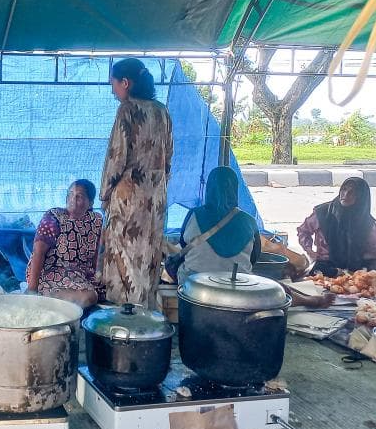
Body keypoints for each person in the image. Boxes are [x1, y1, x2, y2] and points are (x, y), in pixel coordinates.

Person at [100, 58, 173, 308]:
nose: (112, 90)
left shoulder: (127, 110)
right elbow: (169, 159)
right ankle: (149, 318)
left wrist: (105, 194)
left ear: (126, 82)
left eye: (114, 84)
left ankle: (127, 319)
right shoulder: (162, 111)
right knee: (149, 256)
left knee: (126, 259)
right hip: (156, 198)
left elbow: (116, 158)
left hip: (129, 198)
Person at [175, 166, 261, 285]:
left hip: (196, 286)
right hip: (239, 286)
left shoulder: (194, 215)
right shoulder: (250, 221)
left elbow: (184, 245)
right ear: (235, 189)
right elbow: (254, 257)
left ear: (208, 189)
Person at [26, 180, 104, 309]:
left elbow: (97, 254)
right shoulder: (54, 217)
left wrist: (96, 276)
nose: (73, 199)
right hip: (50, 273)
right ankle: (46, 297)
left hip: (80, 276)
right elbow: (38, 252)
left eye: (79, 196)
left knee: (103, 293)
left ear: (90, 203)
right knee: (89, 297)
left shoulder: (96, 221)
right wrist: (32, 289)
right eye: (70, 194)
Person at [298, 177, 376, 277]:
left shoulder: (365, 221)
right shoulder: (323, 213)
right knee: (319, 270)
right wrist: (310, 252)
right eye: (344, 189)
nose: (346, 194)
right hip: (326, 264)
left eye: (352, 192)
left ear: (361, 198)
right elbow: (303, 231)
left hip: (356, 266)